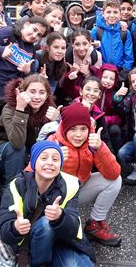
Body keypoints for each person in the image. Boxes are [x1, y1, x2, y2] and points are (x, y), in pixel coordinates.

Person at [0, 141, 94, 266]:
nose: (50, 162)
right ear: (34, 162)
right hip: (26, 245)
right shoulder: (17, 185)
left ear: (60, 164)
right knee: (46, 224)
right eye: (44, 158)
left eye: (55, 159)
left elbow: (72, 230)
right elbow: (5, 232)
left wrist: (60, 217)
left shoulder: (70, 184)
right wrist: (15, 228)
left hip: (61, 243)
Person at [46, 103, 123, 246]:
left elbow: (113, 173)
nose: (78, 135)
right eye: (73, 129)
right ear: (64, 128)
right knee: (63, 241)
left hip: (80, 188)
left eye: (83, 129)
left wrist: (100, 148)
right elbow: (30, 173)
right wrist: (53, 160)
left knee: (115, 180)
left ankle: (94, 224)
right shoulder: (53, 142)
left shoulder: (93, 141)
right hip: (56, 197)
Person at [0, 75, 59, 187]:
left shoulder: (49, 112)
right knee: (18, 150)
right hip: (1, 151)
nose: (37, 97)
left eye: (42, 92)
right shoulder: (10, 107)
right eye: (32, 92)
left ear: (47, 96)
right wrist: (20, 110)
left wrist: (56, 124)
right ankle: (11, 193)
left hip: (28, 155)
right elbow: (17, 143)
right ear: (23, 93)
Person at [0, 16, 49, 113]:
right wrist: (0, 50)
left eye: (39, 35)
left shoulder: (31, 50)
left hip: (7, 89)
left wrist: (27, 72)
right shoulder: (9, 32)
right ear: (26, 24)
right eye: (34, 29)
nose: (34, 35)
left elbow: (25, 76)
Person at [91, 0, 134, 75]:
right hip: (100, 72)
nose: (112, 15)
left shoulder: (125, 32)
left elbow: (128, 56)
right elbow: (91, 53)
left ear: (120, 14)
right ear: (103, 14)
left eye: (115, 12)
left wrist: (123, 74)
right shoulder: (96, 31)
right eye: (108, 12)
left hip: (119, 72)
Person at [37, 32, 70, 105]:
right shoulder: (37, 58)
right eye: (56, 47)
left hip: (47, 100)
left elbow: (54, 88)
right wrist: (38, 79)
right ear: (48, 48)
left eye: (63, 48)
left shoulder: (62, 62)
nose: (60, 51)